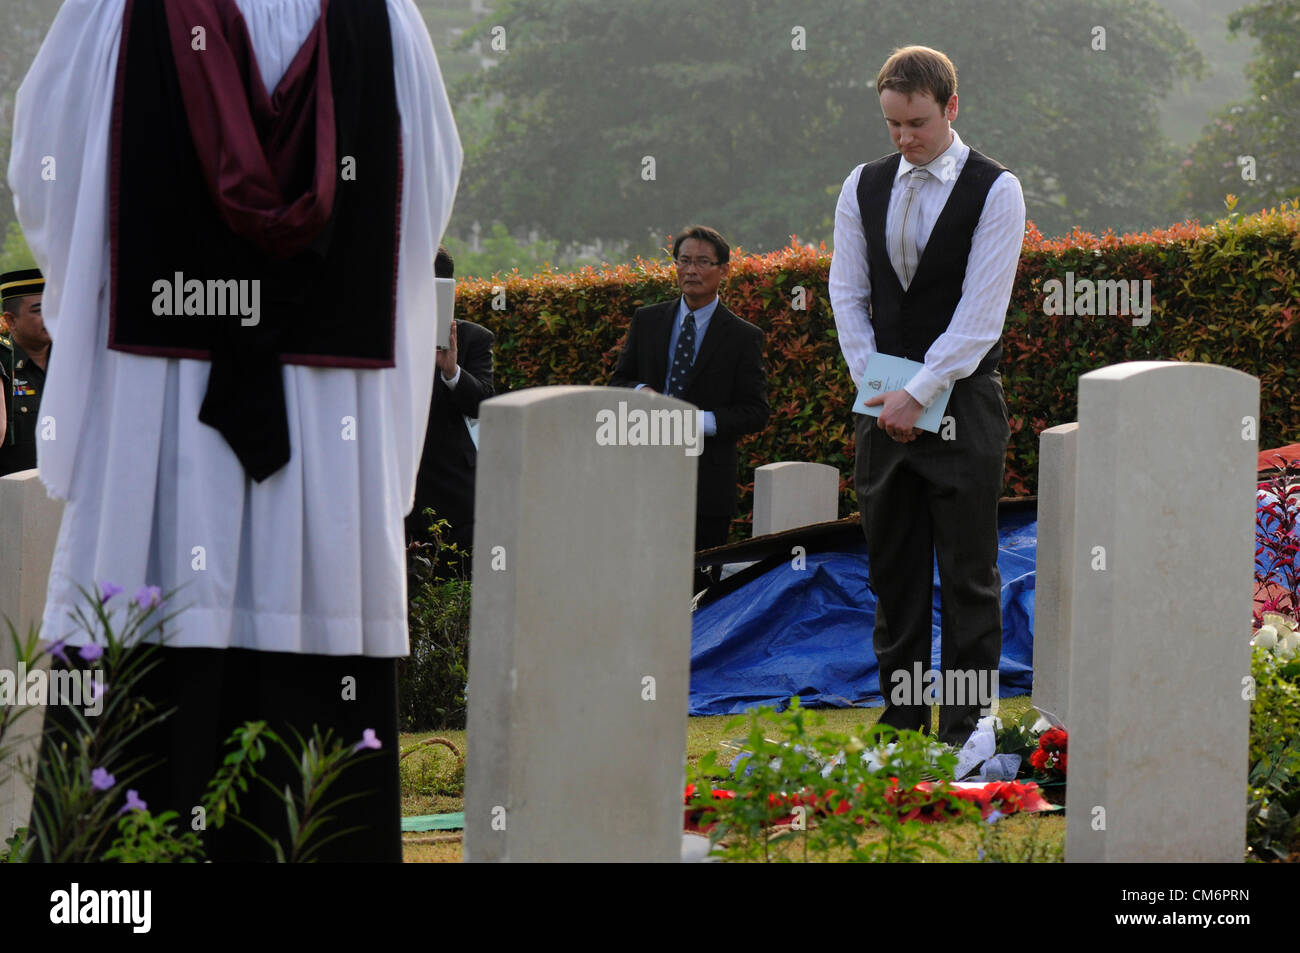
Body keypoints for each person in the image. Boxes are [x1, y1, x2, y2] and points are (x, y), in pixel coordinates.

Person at [11, 0, 461, 861]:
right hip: (328, 413)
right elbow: (426, 192)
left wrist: (104, 296)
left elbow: (47, 173)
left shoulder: (118, 12)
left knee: (138, 654)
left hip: (160, 406)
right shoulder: (385, 18)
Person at [828, 46, 1026, 747]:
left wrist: (918, 391)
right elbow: (847, 296)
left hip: (965, 405)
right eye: (891, 125)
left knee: (968, 574)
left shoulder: (997, 189)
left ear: (951, 107)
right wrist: (880, 392)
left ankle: (967, 727)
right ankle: (905, 722)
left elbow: (980, 318)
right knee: (893, 572)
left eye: (915, 123)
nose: (904, 139)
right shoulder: (861, 185)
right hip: (882, 408)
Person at [611, 225, 770, 592]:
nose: (691, 271)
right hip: (644, 474)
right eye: (684, 261)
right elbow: (618, 381)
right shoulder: (647, 320)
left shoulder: (743, 337)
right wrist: (640, 391)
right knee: (640, 581)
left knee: (697, 590)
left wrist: (695, 422)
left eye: (702, 262)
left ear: (724, 270)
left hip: (707, 484)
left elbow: (755, 411)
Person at [406, 245, 494, 573]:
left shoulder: (473, 339)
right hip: (396, 486)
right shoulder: (384, 336)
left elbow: (484, 403)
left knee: (454, 587)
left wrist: (451, 372)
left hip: (452, 494)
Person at [0, 268, 48, 476]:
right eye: (38, 310)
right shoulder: (4, 365)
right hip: (14, 501)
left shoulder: (75, 364)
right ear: (10, 320)